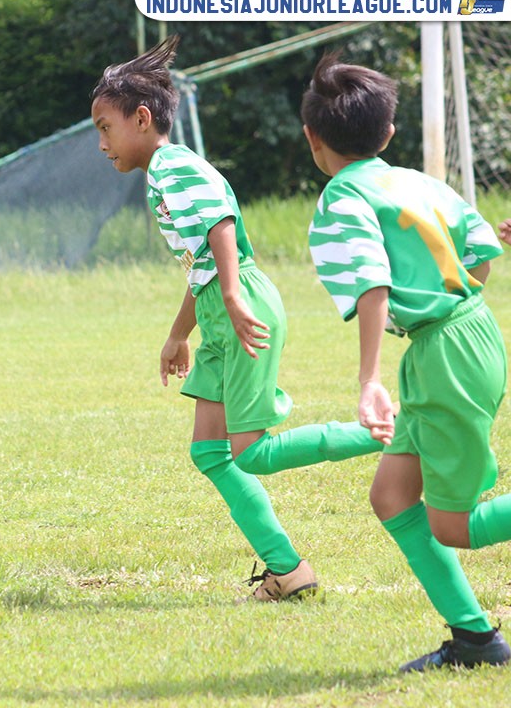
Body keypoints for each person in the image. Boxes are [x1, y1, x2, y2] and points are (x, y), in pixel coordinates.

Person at [90, 36, 382, 602]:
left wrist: (229, 296)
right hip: (221, 307)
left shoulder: (170, 166)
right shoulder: (166, 171)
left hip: (239, 303)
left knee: (250, 451)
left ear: (142, 118)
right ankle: (287, 572)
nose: (100, 142)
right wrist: (181, 331)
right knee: (210, 451)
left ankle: (388, 435)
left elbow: (220, 222)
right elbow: (199, 255)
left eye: (105, 126)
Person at [301, 53, 510, 672]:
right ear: (388, 134)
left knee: (454, 525)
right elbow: (482, 261)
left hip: (444, 352)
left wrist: (368, 379)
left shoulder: (341, 196)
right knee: (393, 496)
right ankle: (476, 642)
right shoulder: (417, 180)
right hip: (464, 337)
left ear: (313, 138)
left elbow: (370, 284)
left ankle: (476, 642)